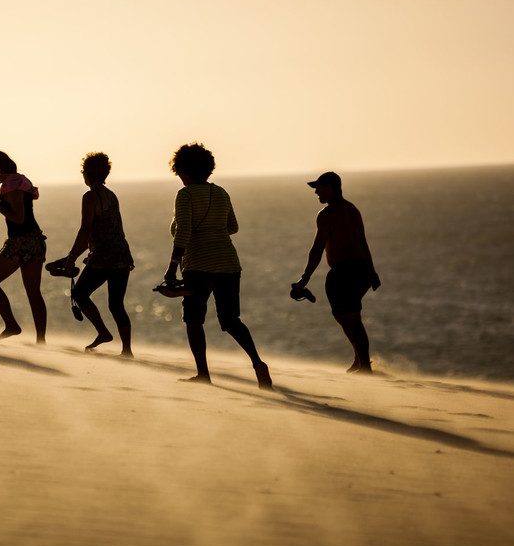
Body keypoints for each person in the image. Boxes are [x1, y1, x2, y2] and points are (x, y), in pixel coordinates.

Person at [163, 143, 272, 389]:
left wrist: (171, 267)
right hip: (229, 264)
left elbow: (183, 233)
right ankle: (257, 363)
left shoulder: (185, 195)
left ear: (182, 169)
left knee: (193, 318)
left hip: (199, 264)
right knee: (231, 320)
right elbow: (232, 227)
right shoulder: (221, 192)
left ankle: (203, 374)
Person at [293, 171, 381, 373]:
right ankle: (360, 360)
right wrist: (372, 272)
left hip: (345, 273)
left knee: (351, 318)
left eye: (319, 187)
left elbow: (317, 248)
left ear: (331, 187)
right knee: (342, 316)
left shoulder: (326, 215)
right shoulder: (352, 209)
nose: (316, 192)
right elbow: (363, 242)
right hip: (361, 271)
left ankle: (365, 366)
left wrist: (305, 278)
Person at [60, 152, 134, 356]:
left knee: (80, 293)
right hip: (122, 254)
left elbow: (86, 230)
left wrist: (72, 256)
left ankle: (103, 332)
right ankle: (127, 350)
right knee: (116, 304)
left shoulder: (90, 196)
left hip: (104, 256)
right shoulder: (111, 194)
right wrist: (75, 254)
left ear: (87, 173)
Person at [0, 151, 47, 343]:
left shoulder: (11, 184)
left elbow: (19, 218)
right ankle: (40, 341)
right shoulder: (20, 181)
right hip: (35, 240)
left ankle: (11, 325)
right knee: (34, 293)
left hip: (21, 242)